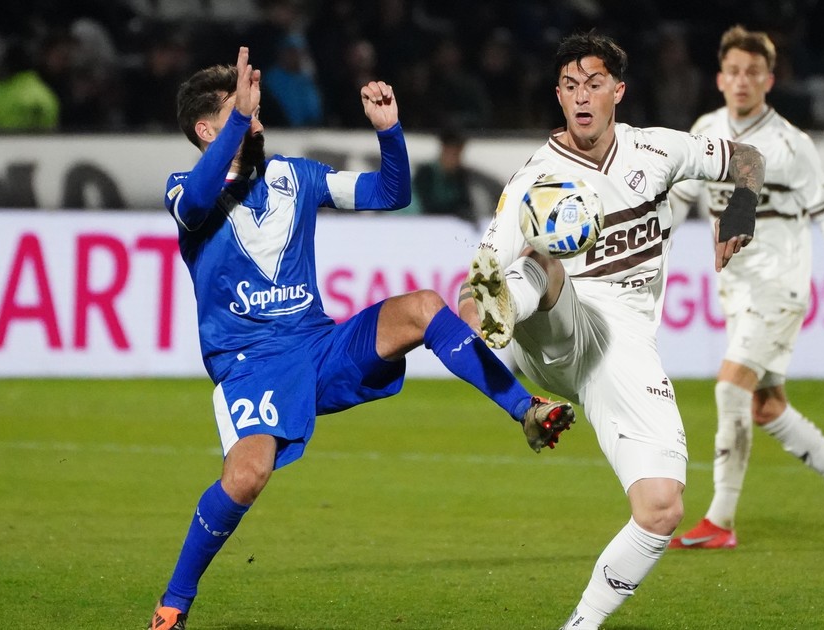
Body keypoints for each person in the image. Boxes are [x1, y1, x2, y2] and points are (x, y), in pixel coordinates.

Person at [147, 47, 575, 630]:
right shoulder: (183, 191)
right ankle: (174, 604)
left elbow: (389, 193)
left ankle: (526, 409)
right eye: (241, 111)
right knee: (246, 477)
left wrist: (389, 132)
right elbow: (199, 200)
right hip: (252, 365)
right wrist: (240, 121)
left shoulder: (295, 176)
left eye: (256, 109)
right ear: (206, 130)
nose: (257, 119)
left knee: (424, 307)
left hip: (319, 346)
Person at [456, 31, 764, 630]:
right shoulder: (534, 180)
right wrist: (475, 309)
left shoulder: (657, 150)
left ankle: (581, 624)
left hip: (621, 345)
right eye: (570, 86)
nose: (581, 96)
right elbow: (479, 276)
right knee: (542, 260)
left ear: (617, 91)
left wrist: (741, 206)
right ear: (558, 95)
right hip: (554, 330)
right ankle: (495, 329)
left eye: (593, 83)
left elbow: (747, 158)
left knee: (661, 507)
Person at [667, 24, 824, 551]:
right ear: (720, 78)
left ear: (769, 80)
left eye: (753, 72)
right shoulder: (706, 130)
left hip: (779, 286)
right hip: (736, 290)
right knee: (767, 408)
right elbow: (677, 202)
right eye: (734, 71)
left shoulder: (791, 144)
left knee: (730, 388)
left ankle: (720, 521)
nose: (742, 80)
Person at [413, 128, 477, 222]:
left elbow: (466, 203)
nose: (454, 159)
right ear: (444, 151)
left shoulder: (461, 176)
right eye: (452, 154)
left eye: (457, 154)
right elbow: (424, 205)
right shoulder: (426, 173)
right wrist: (454, 211)